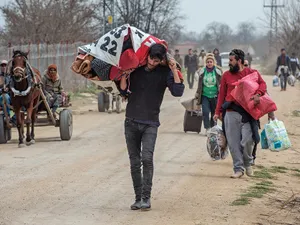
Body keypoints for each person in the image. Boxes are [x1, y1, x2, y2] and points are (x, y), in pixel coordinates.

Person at [120, 43, 184, 211]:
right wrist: (125, 76)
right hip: (131, 121)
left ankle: (146, 198)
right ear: (146, 56)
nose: (152, 63)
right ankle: (138, 198)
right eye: (150, 59)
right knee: (134, 162)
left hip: (151, 123)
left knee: (147, 159)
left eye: (156, 61)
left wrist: (173, 69)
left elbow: (178, 91)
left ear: (161, 60)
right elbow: (124, 92)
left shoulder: (165, 74)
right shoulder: (136, 70)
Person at [213, 49, 267, 178]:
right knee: (233, 143)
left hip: (248, 113)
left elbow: (263, 84)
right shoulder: (226, 75)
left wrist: (258, 94)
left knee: (248, 141)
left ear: (240, 61)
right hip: (230, 112)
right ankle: (238, 169)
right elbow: (221, 96)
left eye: (231, 60)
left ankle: (247, 163)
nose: (229, 63)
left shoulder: (252, 73)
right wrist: (217, 112)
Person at [195, 53, 222, 135]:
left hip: (215, 96)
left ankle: (213, 128)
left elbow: (221, 83)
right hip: (205, 95)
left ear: (213, 62)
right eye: (208, 62)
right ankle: (207, 128)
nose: (209, 63)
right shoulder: (202, 71)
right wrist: (197, 93)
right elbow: (199, 83)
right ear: (205, 63)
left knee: (214, 113)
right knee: (205, 112)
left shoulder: (218, 72)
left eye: (211, 62)